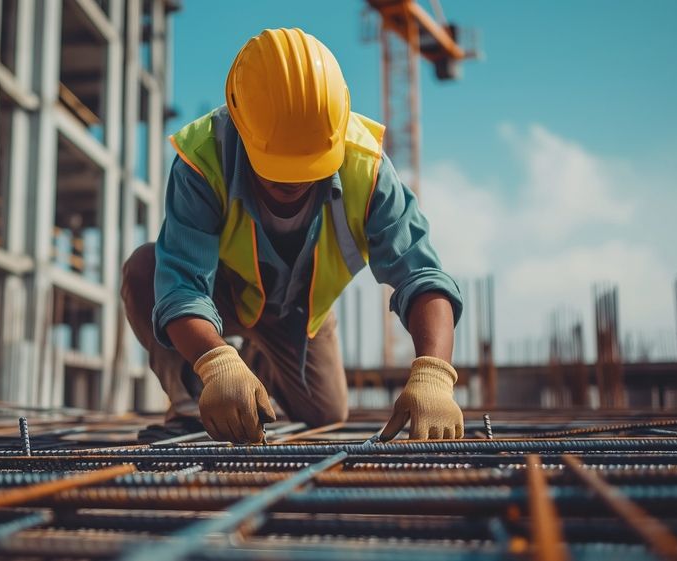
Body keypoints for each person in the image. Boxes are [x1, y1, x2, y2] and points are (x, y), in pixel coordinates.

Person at [122, 28, 464, 444]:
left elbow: (422, 274)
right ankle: (191, 402)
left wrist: (433, 373)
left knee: (326, 415)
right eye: (278, 167)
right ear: (242, 126)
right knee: (145, 269)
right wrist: (216, 365)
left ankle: (257, 364)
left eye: (307, 167)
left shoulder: (367, 168)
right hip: (222, 295)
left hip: (299, 310)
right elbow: (180, 288)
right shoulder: (204, 159)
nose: (293, 183)